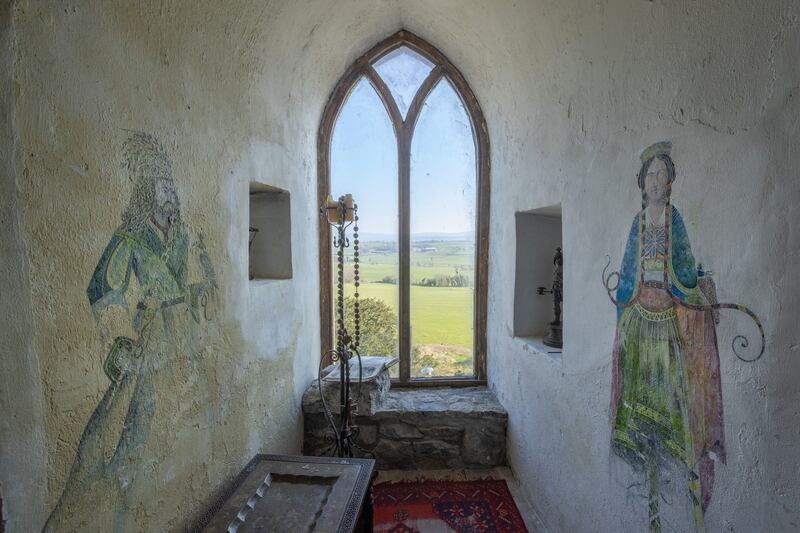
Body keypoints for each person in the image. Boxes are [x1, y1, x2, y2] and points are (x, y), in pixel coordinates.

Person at [43, 132, 216, 532]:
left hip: (183, 341)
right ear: (146, 194)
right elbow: (102, 290)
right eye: (162, 187)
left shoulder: (182, 237)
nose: (171, 194)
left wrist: (201, 288)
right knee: (130, 434)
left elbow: (184, 286)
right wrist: (121, 336)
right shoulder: (130, 239)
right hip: (151, 343)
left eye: (172, 185)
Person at [607, 142, 724, 533]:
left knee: (674, 402)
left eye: (661, 174)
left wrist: (699, 287)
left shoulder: (674, 220)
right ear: (642, 183)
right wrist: (623, 297)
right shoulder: (637, 223)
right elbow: (627, 273)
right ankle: (650, 491)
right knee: (641, 404)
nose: (656, 181)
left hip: (667, 323)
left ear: (669, 181)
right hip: (640, 321)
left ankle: (683, 488)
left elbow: (686, 268)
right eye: (650, 174)